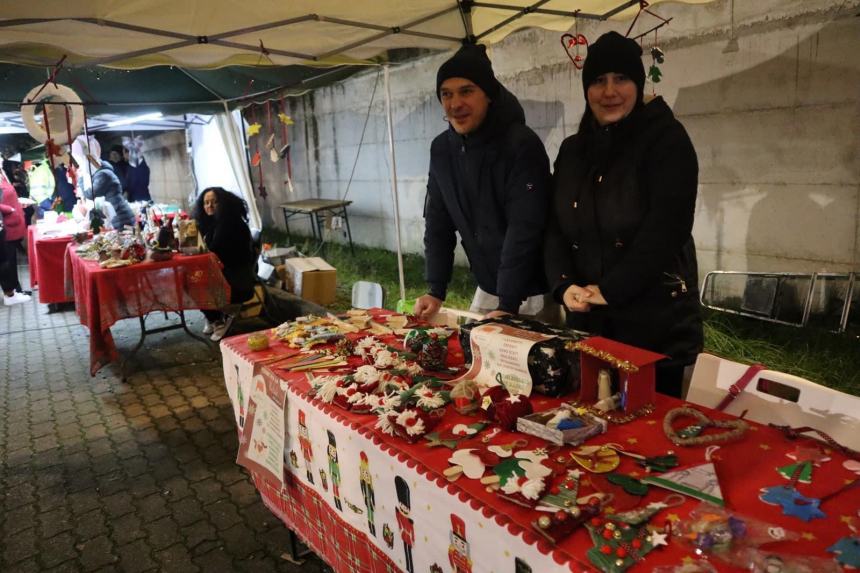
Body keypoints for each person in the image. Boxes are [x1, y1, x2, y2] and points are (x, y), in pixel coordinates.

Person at [544, 31, 703, 397]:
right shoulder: (573, 150)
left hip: (653, 322)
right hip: (588, 319)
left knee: (646, 433)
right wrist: (564, 284)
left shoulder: (666, 141)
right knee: (590, 425)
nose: (609, 91)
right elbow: (555, 226)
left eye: (621, 79)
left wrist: (610, 290)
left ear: (638, 83)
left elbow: (667, 229)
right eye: (598, 81)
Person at [413, 44, 551, 321]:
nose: (455, 104)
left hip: (533, 290)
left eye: (466, 91)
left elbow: (525, 227)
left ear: (488, 95)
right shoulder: (441, 149)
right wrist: (435, 289)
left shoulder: (520, 144)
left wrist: (508, 304)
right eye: (446, 94)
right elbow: (438, 222)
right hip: (488, 285)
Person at [192, 186, 256, 341]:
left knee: (192, 281)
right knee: (190, 277)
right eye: (206, 203)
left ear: (225, 203)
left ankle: (217, 319)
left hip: (237, 278)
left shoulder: (229, 224)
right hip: (225, 272)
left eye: (214, 202)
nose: (209, 206)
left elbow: (213, 252)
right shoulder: (214, 223)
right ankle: (213, 316)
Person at [0, 158, 31, 306]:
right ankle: (11, 293)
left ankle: (15, 289)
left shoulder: (2, 174)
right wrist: (10, 209)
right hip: (6, 225)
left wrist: (16, 204)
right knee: (8, 261)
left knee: (10, 260)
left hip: (11, 224)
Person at [84, 161, 136, 231]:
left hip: (118, 214)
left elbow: (90, 193)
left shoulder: (102, 174)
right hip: (119, 211)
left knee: (124, 237)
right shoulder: (105, 172)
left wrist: (81, 180)